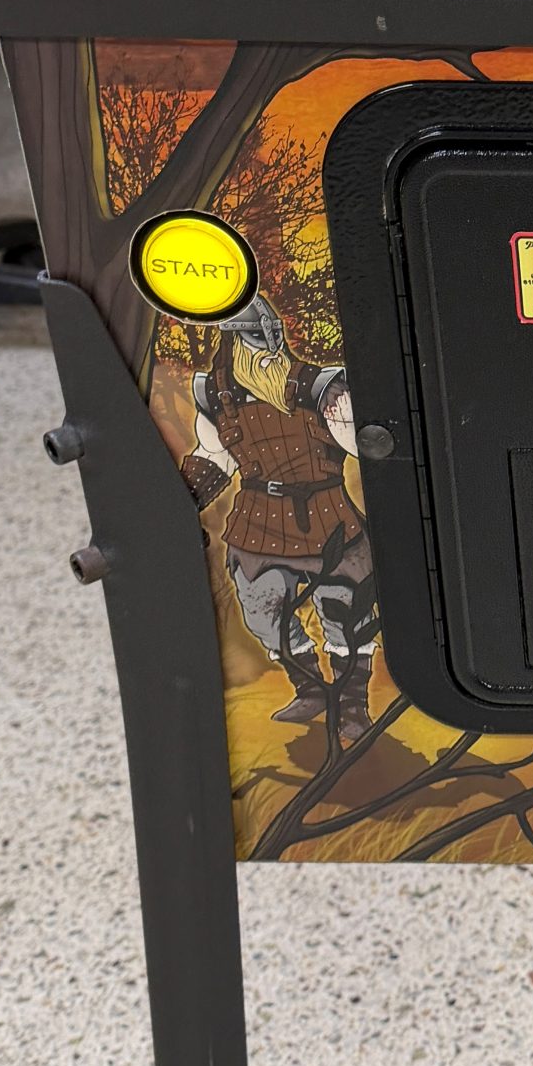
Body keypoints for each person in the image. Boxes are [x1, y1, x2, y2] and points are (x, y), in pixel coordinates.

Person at [181, 294, 378, 746]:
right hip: (257, 521)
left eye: (271, 341)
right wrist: (176, 506)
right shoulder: (215, 397)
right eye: (255, 342)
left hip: (329, 519)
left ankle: (352, 707)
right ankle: (310, 690)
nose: (268, 351)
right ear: (234, 346)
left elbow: (365, 449)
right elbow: (214, 458)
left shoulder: (322, 389)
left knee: (347, 614)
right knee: (262, 613)